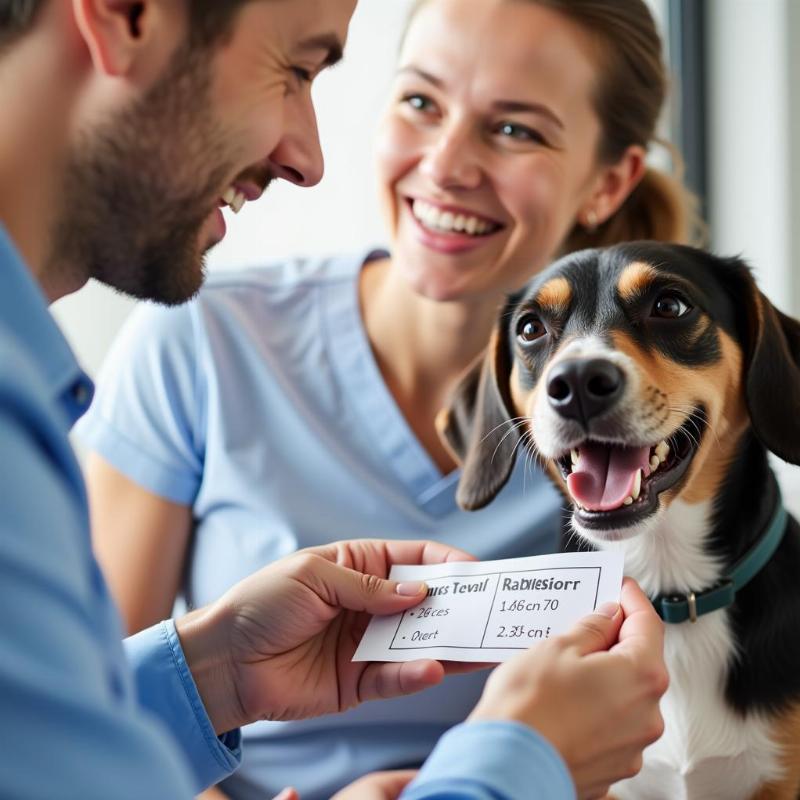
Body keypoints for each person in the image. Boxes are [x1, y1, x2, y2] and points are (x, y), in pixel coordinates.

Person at [0, 1, 667, 799]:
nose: (309, 157)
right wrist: (523, 758)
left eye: (517, 129)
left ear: (609, 182)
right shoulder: (187, 346)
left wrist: (216, 671)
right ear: (123, 15)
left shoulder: (657, 423)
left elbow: (68, 728)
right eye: (297, 68)